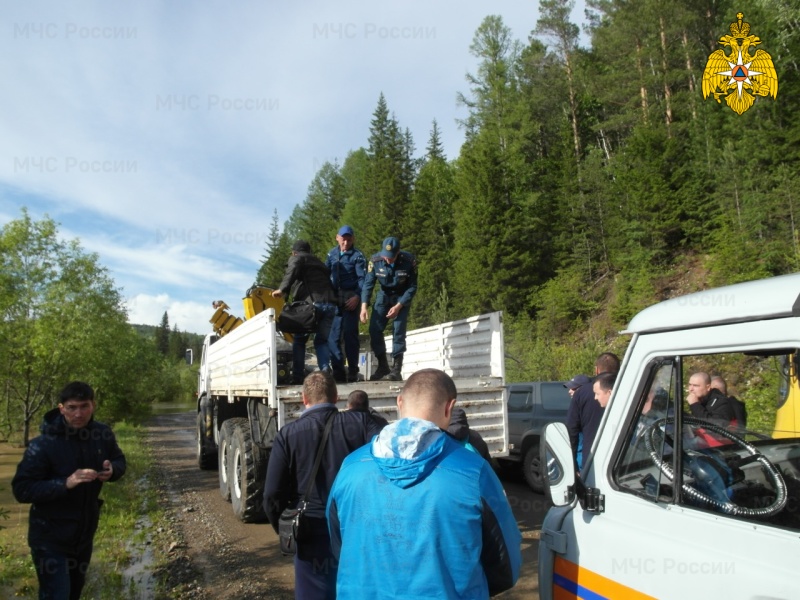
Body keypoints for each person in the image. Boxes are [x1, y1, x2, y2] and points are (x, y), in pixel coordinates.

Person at [327, 369, 522, 599]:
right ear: (450, 407)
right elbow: (505, 565)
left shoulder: (350, 467)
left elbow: (339, 545)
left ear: (399, 402)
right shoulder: (473, 472)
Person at [263, 371, 383, 600]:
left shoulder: (287, 435)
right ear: (336, 397)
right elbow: (385, 465)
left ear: (303, 398)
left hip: (310, 532)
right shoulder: (361, 423)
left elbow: (271, 495)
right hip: (354, 527)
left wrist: (286, 529)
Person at [12, 381, 127, 600]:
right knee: (57, 594)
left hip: (83, 534)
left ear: (93, 405)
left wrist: (113, 470)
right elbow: (22, 489)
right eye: (72, 407)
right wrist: (65, 483)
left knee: (74, 592)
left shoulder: (102, 434)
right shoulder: (43, 444)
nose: (78, 414)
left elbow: (119, 459)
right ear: (61, 408)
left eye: (84, 406)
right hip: (49, 537)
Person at [273, 240, 339, 384]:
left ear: (294, 252)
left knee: (299, 340)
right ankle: (325, 372)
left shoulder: (297, 258)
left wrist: (282, 289)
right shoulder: (319, 264)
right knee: (321, 341)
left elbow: (292, 270)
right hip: (330, 305)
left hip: (312, 307)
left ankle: (297, 376)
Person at [360, 236, 418, 381]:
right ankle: (382, 366)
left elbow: (412, 287)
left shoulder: (409, 261)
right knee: (374, 329)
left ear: (398, 252)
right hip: (384, 296)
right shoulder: (375, 261)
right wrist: (364, 306)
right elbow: (368, 284)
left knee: (398, 331)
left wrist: (399, 306)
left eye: (391, 257)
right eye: (385, 256)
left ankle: (396, 369)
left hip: (401, 298)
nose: (387, 259)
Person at [326, 225, 367, 383]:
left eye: (349, 240)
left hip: (351, 298)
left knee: (350, 335)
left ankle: (353, 371)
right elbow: (324, 274)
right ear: (337, 238)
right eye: (343, 239)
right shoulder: (331, 254)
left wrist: (357, 297)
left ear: (353, 239)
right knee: (333, 337)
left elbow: (363, 279)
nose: (346, 243)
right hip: (335, 299)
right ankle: (338, 372)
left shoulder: (358, 256)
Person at [567, 352, 621, 469]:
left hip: (592, 460)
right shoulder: (630, 389)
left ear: (597, 370)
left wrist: (572, 465)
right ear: (619, 369)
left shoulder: (582, 393)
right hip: (623, 459)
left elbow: (572, 431)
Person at [563, 374, 592, 469]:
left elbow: (572, 430)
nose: (570, 391)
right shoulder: (576, 404)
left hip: (584, 460)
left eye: (574, 388)